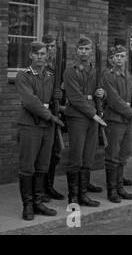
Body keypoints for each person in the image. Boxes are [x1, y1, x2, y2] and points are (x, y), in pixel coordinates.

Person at [16, 41, 64, 220]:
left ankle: (38, 202)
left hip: (47, 127)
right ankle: (27, 205)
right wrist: (51, 116)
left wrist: (59, 97)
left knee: (43, 165)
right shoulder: (23, 75)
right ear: (30, 56)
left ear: (46, 56)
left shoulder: (50, 76)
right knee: (27, 166)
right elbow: (30, 101)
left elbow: (53, 102)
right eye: (36, 54)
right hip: (30, 125)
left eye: (42, 53)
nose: (39, 56)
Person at [63, 36, 106, 207]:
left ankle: (83, 194)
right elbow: (75, 98)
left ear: (91, 52)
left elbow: (100, 90)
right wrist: (93, 114)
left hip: (93, 115)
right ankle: (73, 197)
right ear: (76, 50)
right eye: (81, 49)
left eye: (87, 49)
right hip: (78, 116)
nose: (84, 52)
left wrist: (103, 94)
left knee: (88, 155)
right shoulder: (70, 71)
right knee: (76, 156)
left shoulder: (94, 70)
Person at [102, 45, 132, 203]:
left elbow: (128, 97)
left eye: (121, 56)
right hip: (115, 119)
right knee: (112, 155)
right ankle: (112, 190)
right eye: (116, 56)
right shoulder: (108, 75)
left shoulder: (128, 75)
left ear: (126, 58)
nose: (119, 59)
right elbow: (113, 100)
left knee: (123, 154)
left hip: (126, 119)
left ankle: (120, 187)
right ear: (112, 59)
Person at [41, 34, 65, 201]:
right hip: (43, 116)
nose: (50, 50)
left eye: (53, 47)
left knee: (55, 153)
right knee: (41, 154)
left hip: (58, 114)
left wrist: (62, 99)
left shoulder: (60, 69)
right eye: (47, 47)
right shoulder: (40, 69)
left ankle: (49, 186)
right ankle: (39, 190)